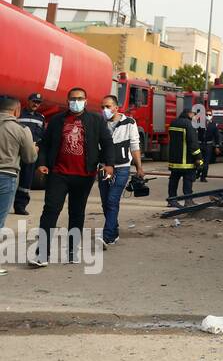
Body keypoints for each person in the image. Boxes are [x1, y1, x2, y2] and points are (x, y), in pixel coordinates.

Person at [32, 87, 114, 267]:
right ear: (67, 100)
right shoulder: (56, 120)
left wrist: (109, 164)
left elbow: (107, 143)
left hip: (84, 175)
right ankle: (42, 253)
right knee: (50, 211)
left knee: (77, 213)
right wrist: (43, 164)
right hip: (59, 174)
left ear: (86, 100)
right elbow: (45, 145)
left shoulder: (95, 120)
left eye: (80, 98)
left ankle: (72, 251)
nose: (76, 101)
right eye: (73, 98)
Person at [0, 96, 40, 274]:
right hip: (6, 176)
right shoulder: (20, 130)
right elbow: (30, 158)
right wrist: (34, 148)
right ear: (16, 111)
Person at [98, 94, 144, 246]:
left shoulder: (129, 123)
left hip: (122, 168)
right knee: (105, 202)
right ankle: (114, 230)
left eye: (108, 106)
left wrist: (139, 167)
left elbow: (135, 146)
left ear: (116, 108)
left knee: (112, 200)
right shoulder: (99, 124)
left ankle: (107, 236)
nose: (105, 110)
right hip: (103, 168)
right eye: (102, 107)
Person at [14, 92, 46, 216]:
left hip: (31, 151)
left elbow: (42, 136)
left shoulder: (41, 118)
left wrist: (38, 146)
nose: (36, 104)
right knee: (12, 178)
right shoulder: (19, 114)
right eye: (34, 101)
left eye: (38, 102)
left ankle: (20, 205)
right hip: (17, 151)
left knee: (26, 179)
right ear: (28, 101)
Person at [167, 107, 204, 204]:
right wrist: (198, 158)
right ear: (190, 114)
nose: (195, 118)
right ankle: (188, 200)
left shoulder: (173, 122)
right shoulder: (189, 124)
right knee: (188, 179)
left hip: (174, 159)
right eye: (194, 115)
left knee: (174, 179)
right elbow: (193, 143)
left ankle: (172, 200)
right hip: (187, 160)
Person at [198, 113, 220, 182]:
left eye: (210, 115)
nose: (208, 116)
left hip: (208, 145)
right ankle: (198, 172)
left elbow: (217, 136)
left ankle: (203, 177)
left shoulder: (214, 125)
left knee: (206, 162)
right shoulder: (200, 123)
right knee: (199, 160)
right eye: (207, 114)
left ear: (212, 116)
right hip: (200, 144)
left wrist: (217, 146)